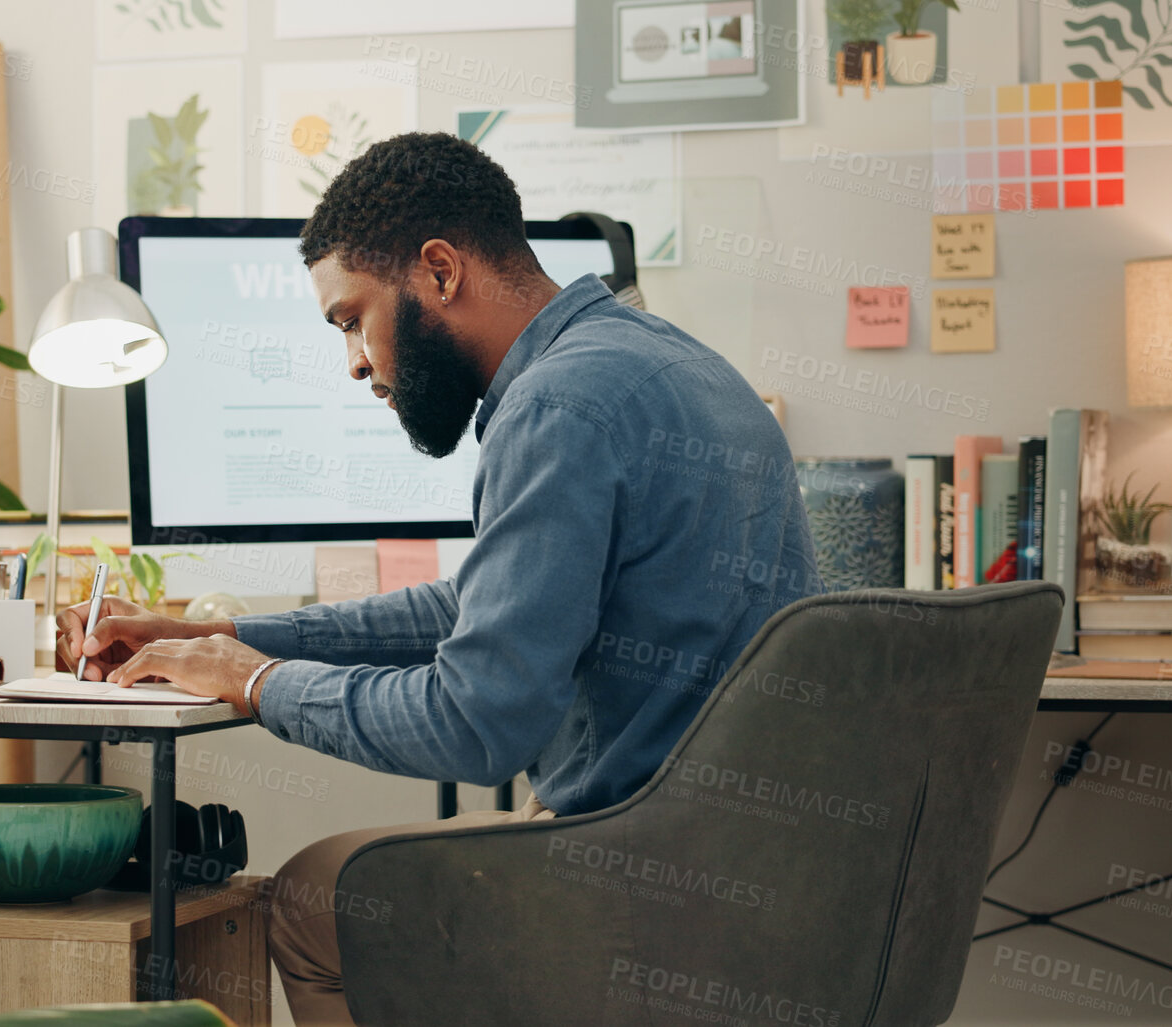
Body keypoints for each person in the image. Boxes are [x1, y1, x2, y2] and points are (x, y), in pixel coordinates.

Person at [55, 131, 822, 1024]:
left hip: (641, 877)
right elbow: (480, 605)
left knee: (311, 900)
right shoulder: (676, 365)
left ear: (439, 272)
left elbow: (475, 724)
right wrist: (225, 639)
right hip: (758, 868)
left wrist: (257, 685)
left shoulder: (554, 406)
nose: (352, 361)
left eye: (351, 318)